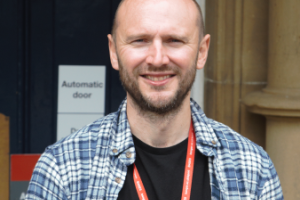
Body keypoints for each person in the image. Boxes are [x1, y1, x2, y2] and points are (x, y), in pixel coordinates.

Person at [26, 0, 283, 199]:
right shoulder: (63, 168)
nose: (157, 58)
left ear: (202, 52)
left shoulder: (252, 169)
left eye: (174, 40)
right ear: (114, 52)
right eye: (140, 40)